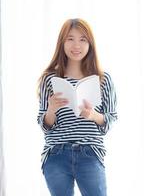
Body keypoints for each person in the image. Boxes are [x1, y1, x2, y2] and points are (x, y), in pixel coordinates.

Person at [36, 18, 117, 196]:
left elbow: (111, 118)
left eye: (82, 39)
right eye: (70, 39)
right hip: (57, 152)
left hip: (90, 152)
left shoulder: (103, 79)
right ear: (62, 42)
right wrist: (51, 110)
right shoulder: (49, 79)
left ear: (90, 44)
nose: (76, 45)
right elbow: (44, 125)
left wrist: (93, 115)